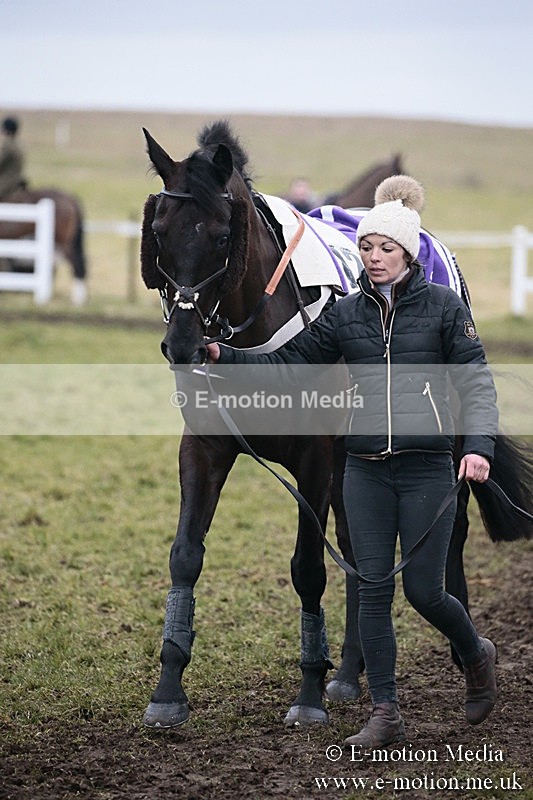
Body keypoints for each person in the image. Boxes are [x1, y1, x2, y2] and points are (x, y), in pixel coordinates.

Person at [206, 175, 498, 746]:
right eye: (366, 247)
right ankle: (385, 713)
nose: (374, 257)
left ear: (408, 253)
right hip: (363, 469)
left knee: (424, 591)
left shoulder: (443, 308)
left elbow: (477, 384)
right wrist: (227, 356)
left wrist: (479, 448)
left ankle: (475, 651)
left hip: (425, 467)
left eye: (386, 248)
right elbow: (288, 364)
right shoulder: (344, 315)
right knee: (371, 588)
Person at [0, 116, 26, 200]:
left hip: (7, 181)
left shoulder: (8, 145)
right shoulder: (17, 143)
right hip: (17, 178)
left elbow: (1, 163)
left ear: (6, 129)